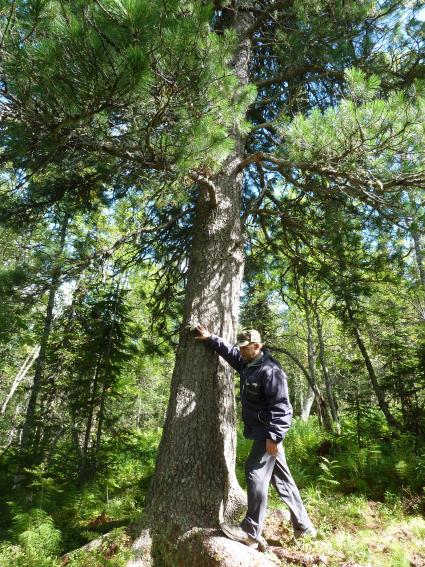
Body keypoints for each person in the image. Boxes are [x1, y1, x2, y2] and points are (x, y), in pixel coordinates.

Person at [195, 325, 317, 548]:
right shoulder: (249, 363)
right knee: (283, 481)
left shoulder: (270, 371)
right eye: (240, 347)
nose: (240, 351)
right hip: (265, 432)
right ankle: (304, 527)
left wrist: (274, 436)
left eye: (245, 347)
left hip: (267, 433)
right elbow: (231, 354)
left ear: (257, 346)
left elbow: (282, 407)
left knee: (255, 473)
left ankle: (250, 531)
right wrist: (211, 338)